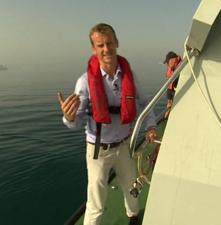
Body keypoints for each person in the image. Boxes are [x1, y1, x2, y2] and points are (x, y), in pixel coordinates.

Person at [57, 23, 157, 225]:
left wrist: (151, 126)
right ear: (94, 49)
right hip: (98, 151)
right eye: (100, 45)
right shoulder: (84, 82)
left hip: (124, 146)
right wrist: (68, 117)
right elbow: (76, 122)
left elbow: (146, 103)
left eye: (109, 43)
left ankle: (134, 219)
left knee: (132, 189)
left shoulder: (130, 76)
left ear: (116, 43)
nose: (106, 49)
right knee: (96, 203)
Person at [163, 51, 182, 119]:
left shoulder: (181, 67)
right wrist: (169, 100)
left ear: (172, 60)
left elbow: (172, 84)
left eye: (168, 62)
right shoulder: (175, 68)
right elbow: (170, 85)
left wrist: (170, 102)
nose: (167, 65)